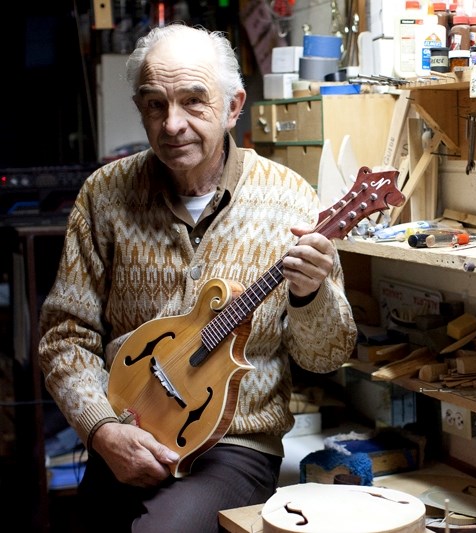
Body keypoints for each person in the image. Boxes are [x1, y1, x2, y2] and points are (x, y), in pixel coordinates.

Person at [38, 23, 357, 532]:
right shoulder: (105, 195)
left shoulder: (290, 200)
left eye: (193, 101)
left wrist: (311, 293)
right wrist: (101, 431)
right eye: (155, 105)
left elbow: (326, 355)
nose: (172, 124)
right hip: (127, 425)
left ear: (233, 107)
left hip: (233, 447)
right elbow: (63, 337)